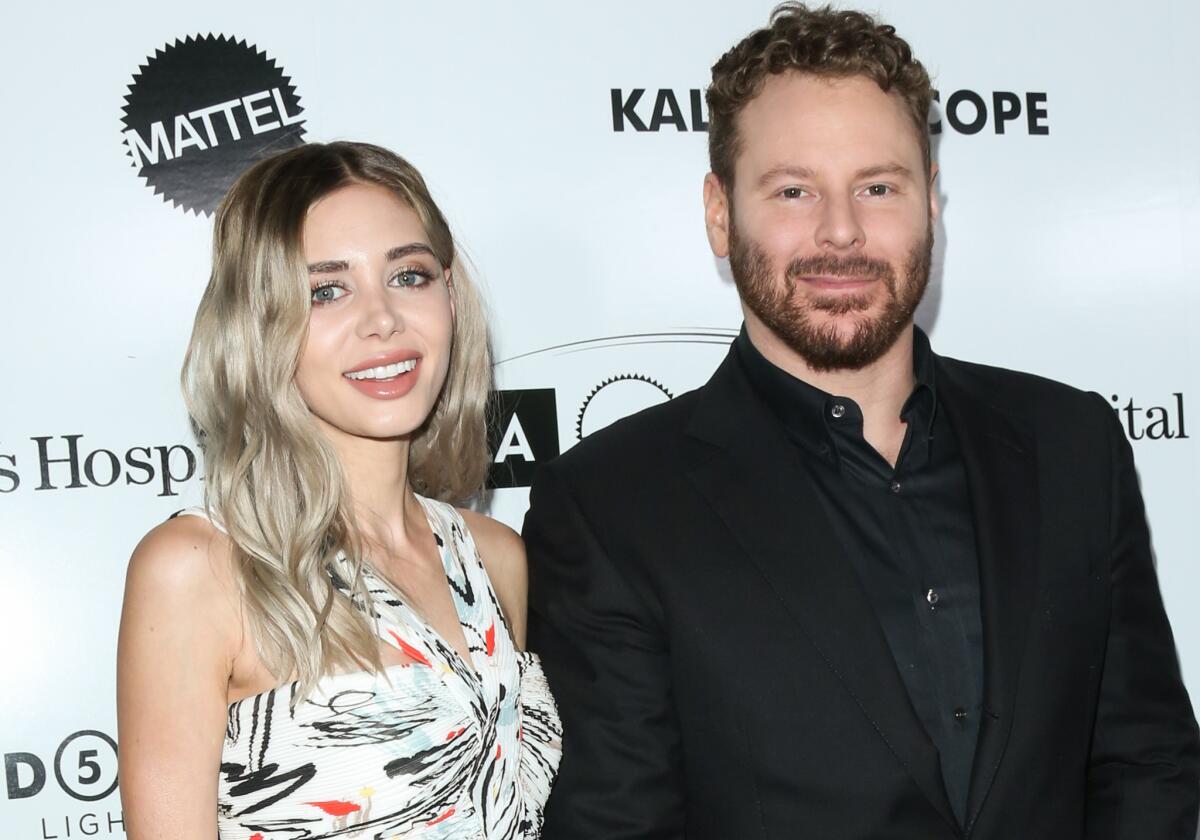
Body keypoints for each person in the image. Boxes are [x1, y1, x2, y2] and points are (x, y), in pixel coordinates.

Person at [523, 5, 1199, 838]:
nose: (840, 232)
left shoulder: (1071, 444)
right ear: (718, 212)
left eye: (878, 187)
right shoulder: (609, 506)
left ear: (932, 204)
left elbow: (1144, 759)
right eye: (794, 190)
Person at [117, 141, 561, 840]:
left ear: (450, 297)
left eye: (409, 276)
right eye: (325, 290)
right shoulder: (199, 570)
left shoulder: (496, 556)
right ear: (262, 324)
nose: (382, 318)